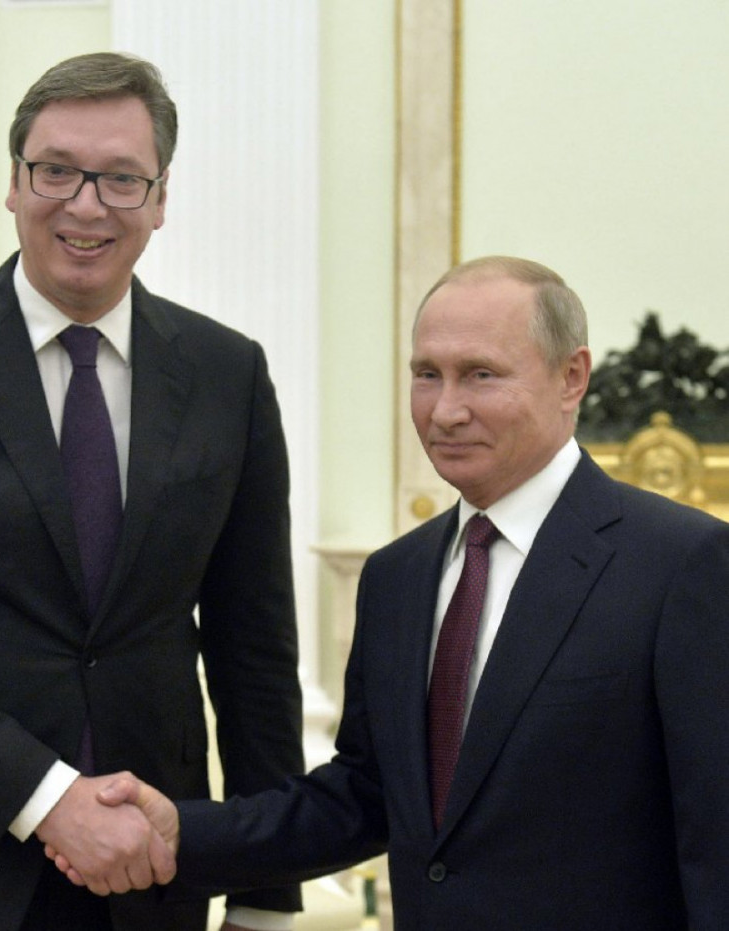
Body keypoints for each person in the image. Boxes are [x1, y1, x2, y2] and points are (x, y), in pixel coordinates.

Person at [58, 256, 729, 930]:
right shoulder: (396, 578)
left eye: (481, 374)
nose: (446, 410)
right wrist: (183, 831)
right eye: (427, 374)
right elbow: (365, 797)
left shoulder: (681, 564)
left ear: (572, 377)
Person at [0, 52, 304, 931]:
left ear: (160, 199)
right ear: (14, 183)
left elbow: (255, 649)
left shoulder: (228, 374)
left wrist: (264, 897)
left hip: (148, 875)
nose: (85, 205)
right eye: (56, 170)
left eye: (121, 178)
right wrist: (47, 797)